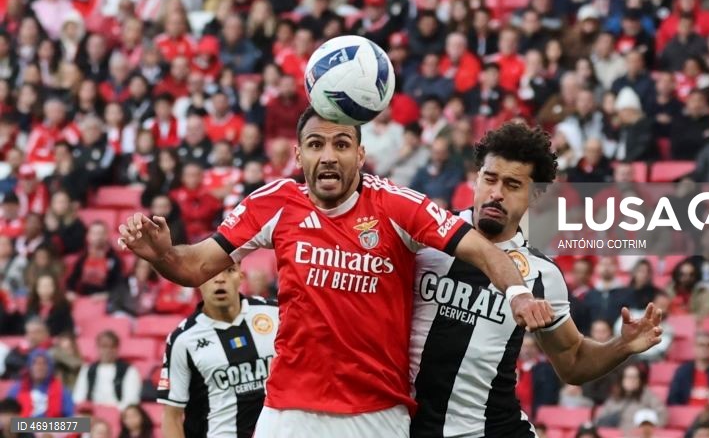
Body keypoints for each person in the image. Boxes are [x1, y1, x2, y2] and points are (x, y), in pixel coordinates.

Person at [118, 106, 554, 437]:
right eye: (316, 145)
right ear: (298, 154)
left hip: (376, 416)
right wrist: (161, 254)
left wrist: (518, 295)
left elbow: (485, 250)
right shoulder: (273, 203)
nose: (328, 156)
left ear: (361, 153)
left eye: (341, 144)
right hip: (288, 410)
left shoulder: (398, 206)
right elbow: (195, 266)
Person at [410, 123, 663, 437]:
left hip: (492, 430)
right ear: (476, 178)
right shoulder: (425, 239)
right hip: (406, 426)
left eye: (513, 185)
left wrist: (622, 345)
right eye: (489, 179)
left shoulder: (542, 274)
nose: (496, 193)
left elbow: (573, 361)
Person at [157, 263, 277, 438]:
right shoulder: (183, 339)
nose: (220, 279)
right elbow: (172, 416)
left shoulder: (275, 314)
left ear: (241, 277)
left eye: (229, 271)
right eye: (210, 272)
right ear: (198, 281)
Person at [72, 330, 142, 410]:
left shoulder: (129, 370)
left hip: (118, 414)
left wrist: (109, 412)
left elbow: (131, 402)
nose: (108, 351)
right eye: (104, 346)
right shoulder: (87, 369)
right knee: (62, 422)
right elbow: (78, 398)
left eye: (112, 347)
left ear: (117, 348)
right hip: (92, 414)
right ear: (97, 348)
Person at [668, 331, 709, 405]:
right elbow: (673, 399)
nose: (705, 348)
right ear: (694, 347)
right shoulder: (682, 372)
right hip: (685, 414)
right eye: (701, 345)